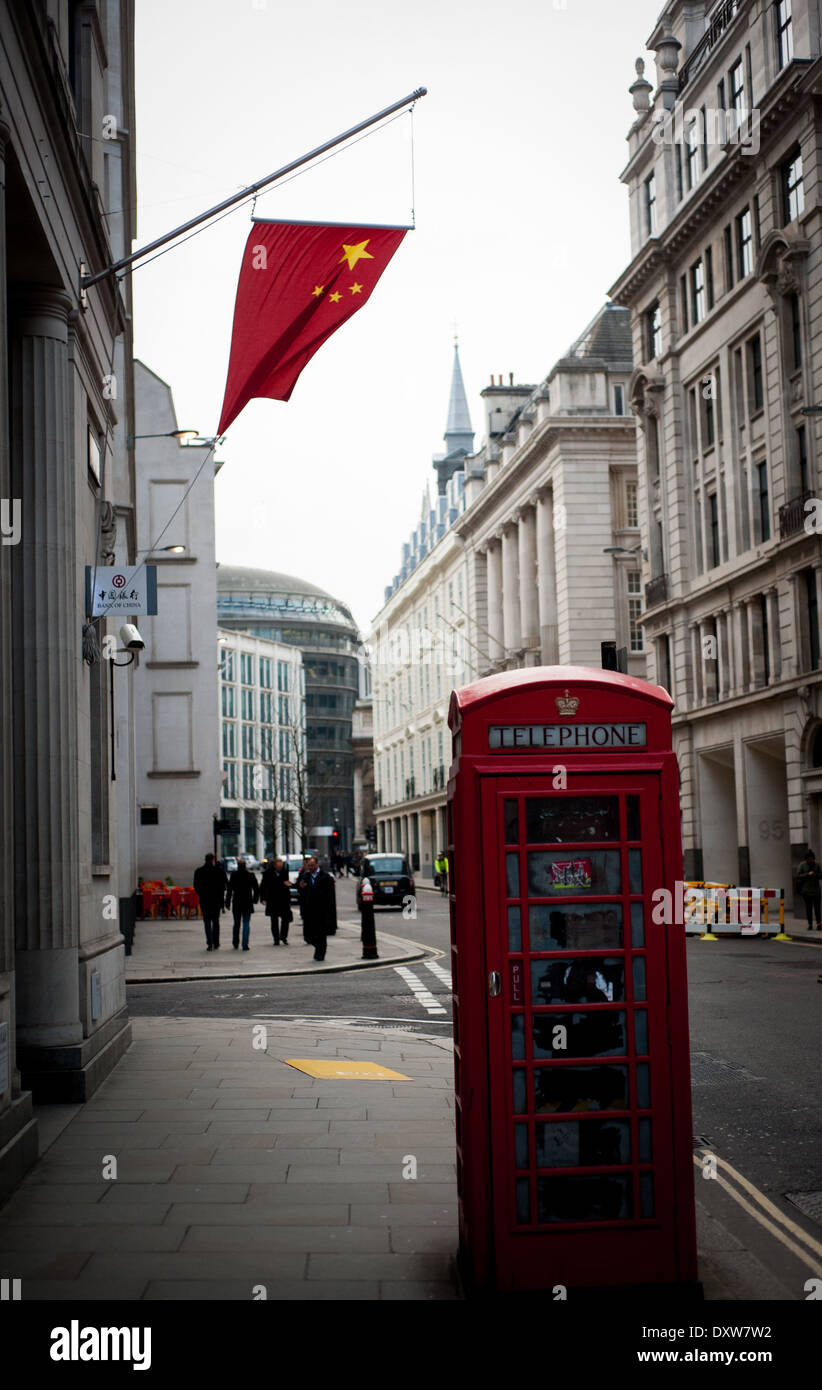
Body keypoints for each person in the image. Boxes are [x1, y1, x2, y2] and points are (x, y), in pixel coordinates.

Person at [299, 854, 337, 961]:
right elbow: (301, 893)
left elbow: (330, 896)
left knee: (321, 934)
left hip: (322, 910)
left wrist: (330, 913)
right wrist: (301, 888)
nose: (310, 868)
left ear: (317, 864)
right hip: (309, 910)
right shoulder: (305, 877)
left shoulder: (326, 877)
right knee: (309, 936)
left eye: (312, 865)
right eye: (309, 866)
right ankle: (318, 948)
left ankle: (320, 953)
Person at [193, 853, 227, 951]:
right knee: (216, 922)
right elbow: (224, 885)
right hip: (216, 901)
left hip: (205, 900)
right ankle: (216, 942)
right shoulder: (219, 871)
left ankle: (209, 943)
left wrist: (202, 894)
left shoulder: (199, 871)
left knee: (207, 922)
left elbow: (196, 886)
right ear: (213, 860)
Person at [226, 858, 259, 950]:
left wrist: (227, 902)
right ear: (245, 866)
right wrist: (255, 899)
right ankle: (245, 944)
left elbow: (229, 889)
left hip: (237, 901)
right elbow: (256, 888)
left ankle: (235, 942)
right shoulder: (250, 875)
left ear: (238, 866)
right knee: (246, 923)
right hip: (247, 901)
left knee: (236, 923)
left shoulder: (234, 875)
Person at [260, 856, 292, 945]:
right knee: (274, 921)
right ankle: (276, 939)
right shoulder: (267, 873)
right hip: (272, 900)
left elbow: (287, 883)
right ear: (274, 866)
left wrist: (288, 885)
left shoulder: (284, 872)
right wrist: (263, 898)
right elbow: (263, 886)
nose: (280, 868)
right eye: (279, 867)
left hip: (283, 900)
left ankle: (284, 937)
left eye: (281, 867)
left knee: (285, 919)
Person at [797, 849, 822, 929]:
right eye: (809, 858)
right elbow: (798, 876)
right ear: (806, 859)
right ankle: (810, 924)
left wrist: (815, 875)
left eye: (812, 858)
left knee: (817, 909)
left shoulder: (817, 865)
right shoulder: (802, 865)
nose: (810, 860)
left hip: (816, 891)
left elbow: (821, 875)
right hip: (806, 891)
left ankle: (819, 924)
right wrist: (807, 875)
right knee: (809, 909)